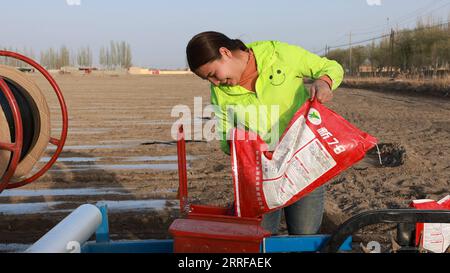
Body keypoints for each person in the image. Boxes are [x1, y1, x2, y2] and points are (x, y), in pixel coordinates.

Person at [186, 31, 344, 235]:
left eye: (212, 74)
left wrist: (324, 82)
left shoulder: (279, 55)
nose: (215, 83)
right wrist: (237, 144)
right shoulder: (220, 90)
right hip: (260, 174)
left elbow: (331, 67)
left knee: (305, 235)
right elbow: (225, 133)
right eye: (208, 80)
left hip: (302, 162)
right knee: (259, 238)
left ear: (225, 53)